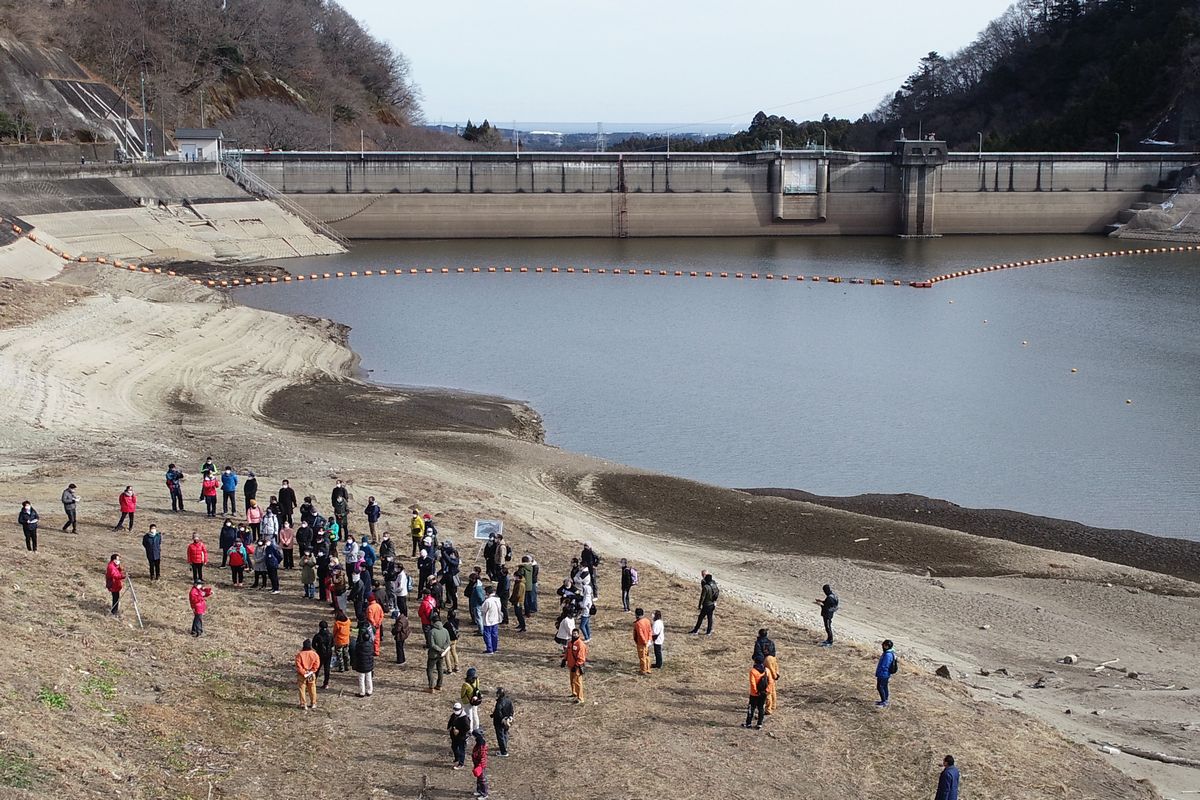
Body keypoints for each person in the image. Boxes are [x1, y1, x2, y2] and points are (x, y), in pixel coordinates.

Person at [754, 629, 780, 714]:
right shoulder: (771, 642)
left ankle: (768, 708)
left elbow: (758, 654)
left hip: (766, 663)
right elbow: (773, 653)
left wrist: (758, 663)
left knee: (766, 686)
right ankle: (773, 705)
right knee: (773, 686)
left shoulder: (758, 643)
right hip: (773, 660)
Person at [744, 658, 772, 729]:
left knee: (751, 708)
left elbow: (753, 683)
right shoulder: (767, 670)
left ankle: (748, 723)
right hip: (763, 693)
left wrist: (756, 691)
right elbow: (770, 681)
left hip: (754, 694)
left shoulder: (753, 671)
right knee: (761, 708)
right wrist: (767, 690)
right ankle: (759, 723)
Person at [426, 614, 452, 693]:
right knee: (440, 669)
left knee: (430, 670)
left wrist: (439, 649)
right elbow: (448, 642)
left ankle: (431, 687)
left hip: (433, 654)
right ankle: (439, 685)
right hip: (442, 654)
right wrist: (443, 649)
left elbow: (432, 644)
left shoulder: (432, 631)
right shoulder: (445, 630)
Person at [689, 571, 718, 635]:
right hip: (712, 604)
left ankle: (696, 630)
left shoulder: (706, 587)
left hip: (706, 605)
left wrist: (699, 605)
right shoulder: (714, 584)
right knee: (710, 618)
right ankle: (709, 631)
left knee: (700, 618)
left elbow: (702, 597)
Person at [295, 639, 320, 710]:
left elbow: (298, 666)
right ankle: (313, 703)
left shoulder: (299, 655)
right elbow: (317, 664)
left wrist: (304, 672)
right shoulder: (314, 654)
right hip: (311, 674)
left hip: (302, 675)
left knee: (302, 689)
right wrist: (311, 671)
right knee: (312, 688)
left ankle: (303, 704)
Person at [351, 626, 375, 697]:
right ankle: (369, 691)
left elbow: (356, 654)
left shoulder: (359, 645)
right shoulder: (371, 645)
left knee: (361, 679)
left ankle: (362, 692)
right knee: (369, 678)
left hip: (361, 664)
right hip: (369, 664)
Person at [491, 687, 514, 757]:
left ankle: (503, 752)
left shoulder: (499, 702)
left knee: (500, 736)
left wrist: (502, 719)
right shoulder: (508, 700)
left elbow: (498, 711)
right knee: (505, 733)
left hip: (499, 722)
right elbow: (511, 710)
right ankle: (504, 746)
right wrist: (510, 717)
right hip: (507, 720)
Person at [566, 627, 587, 703]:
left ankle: (580, 698)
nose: (574, 635)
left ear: (578, 634)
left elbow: (581, 658)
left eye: (575, 634)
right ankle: (574, 693)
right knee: (572, 680)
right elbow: (567, 652)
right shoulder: (570, 643)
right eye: (573, 633)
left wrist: (576, 665)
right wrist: (564, 659)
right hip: (571, 665)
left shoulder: (580, 645)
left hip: (577, 667)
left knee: (578, 682)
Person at [447, 702, 470, 769]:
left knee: (461, 750)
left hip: (462, 737)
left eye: (457, 710)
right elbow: (450, 721)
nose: (456, 711)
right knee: (454, 747)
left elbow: (467, 728)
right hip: (454, 736)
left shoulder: (464, 718)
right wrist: (449, 727)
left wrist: (459, 731)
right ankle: (457, 758)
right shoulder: (454, 715)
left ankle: (461, 764)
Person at [480, 586, 502, 654]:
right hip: (495, 619)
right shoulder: (497, 599)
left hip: (488, 620)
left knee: (487, 635)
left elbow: (483, 610)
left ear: (487, 592)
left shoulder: (487, 601)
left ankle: (490, 649)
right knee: (494, 634)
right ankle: (494, 648)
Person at [312, 620, 334, 688]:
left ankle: (314, 682)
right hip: (328, 653)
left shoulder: (318, 635)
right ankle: (326, 683)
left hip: (320, 653)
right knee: (327, 669)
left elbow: (313, 644)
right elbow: (333, 644)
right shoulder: (330, 635)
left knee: (317, 668)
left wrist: (317, 649)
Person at [876, 640, 897, 707]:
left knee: (880, 687)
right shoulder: (890, 653)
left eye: (884, 645)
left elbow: (885, 665)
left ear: (887, 646)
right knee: (884, 687)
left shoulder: (888, 655)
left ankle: (884, 702)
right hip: (885, 674)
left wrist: (880, 672)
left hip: (883, 674)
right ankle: (885, 700)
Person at [461, 666, 483, 731]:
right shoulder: (477, 680)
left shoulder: (465, 685)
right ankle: (476, 727)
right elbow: (477, 688)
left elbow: (462, 694)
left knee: (469, 715)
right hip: (475, 700)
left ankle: (470, 729)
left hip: (467, 701)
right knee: (475, 714)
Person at [633, 607, 653, 675]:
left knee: (642, 657)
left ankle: (643, 670)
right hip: (648, 641)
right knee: (647, 656)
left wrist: (644, 642)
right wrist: (649, 640)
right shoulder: (647, 621)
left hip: (642, 643)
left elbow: (640, 634)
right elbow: (650, 630)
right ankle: (648, 669)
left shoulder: (638, 624)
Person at [470, 729, 489, 800]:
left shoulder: (481, 745)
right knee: (479, 778)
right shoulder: (479, 743)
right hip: (477, 763)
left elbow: (483, 756)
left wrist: (480, 765)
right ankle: (479, 790)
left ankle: (484, 794)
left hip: (480, 765)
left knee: (482, 779)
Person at [509, 566, 526, 632]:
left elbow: (518, 594)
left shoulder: (520, 584)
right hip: (517, 601)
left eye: (515, 576)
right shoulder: (518, 583)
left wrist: (513, 600)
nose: (514, 578)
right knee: (517, 613)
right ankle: (520, 624)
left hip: (519, 601)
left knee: (519, 614)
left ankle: (523, 626)